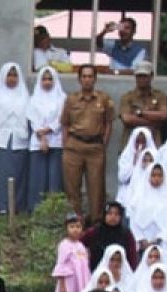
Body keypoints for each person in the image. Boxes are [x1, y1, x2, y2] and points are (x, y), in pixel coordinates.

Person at [61, 64, 114, 224]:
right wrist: (66, 145)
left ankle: (96, 223)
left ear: (95, 79)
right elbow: (64, 123)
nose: (87, 80)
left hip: (95, 148)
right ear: (79, 79)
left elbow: (109, 123)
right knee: (72, 187)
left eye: (90, 76)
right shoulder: (71, 99)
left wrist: (103, 144)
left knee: (96, 188)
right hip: (74, 146)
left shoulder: (104, 99)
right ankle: (75, 222)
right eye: (84, 76)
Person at [0, 63, 30, 214]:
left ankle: (15, 205)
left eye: (15, 75)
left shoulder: (25, 95)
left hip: (19, 140)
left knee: (17, 174)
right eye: (9, 75)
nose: (12, 79)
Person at [26, 66, 66, 210]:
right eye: (44, 79)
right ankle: (36, 210)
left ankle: (53, 212)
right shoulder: (33, 99)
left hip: (56, 141)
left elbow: (61, 119)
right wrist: (41, 136)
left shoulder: (62, 98)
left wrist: (48, 131)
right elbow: (32, 119)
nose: (47, 82)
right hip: (37, 142)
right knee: (37, 178)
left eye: (50, 79)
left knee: (54, 179)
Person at [119, 62, 167, 146]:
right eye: (139, 76)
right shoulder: (127, 97)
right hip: (131, 143)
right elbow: (127, 119)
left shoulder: (160, 96)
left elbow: (163, 115)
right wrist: (154, 122)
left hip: (153, 142)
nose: (141, 79)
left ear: (151, 76)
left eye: (144, 76)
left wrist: (140, 113)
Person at [81, 201, 139, 272]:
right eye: (110, 213)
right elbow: (78, 245)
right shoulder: (94, 231)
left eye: (116, 214)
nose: (113, 217)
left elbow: (132, 256)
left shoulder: (126, 234)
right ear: (104, 215)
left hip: (119, 274)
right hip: (96, 274)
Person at [52, 213, 90, 292]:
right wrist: (62, 286)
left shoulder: (81, 246)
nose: (75, 230)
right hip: (69, 286)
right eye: (72, 227)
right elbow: (61, 265)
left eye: (78, 226)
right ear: (67, 229)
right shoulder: (64, 245)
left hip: (81, 284)